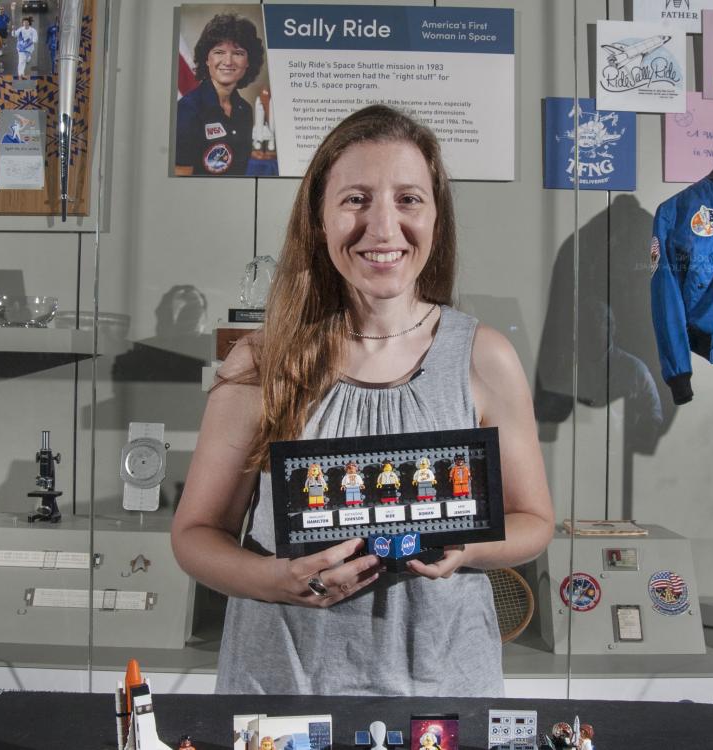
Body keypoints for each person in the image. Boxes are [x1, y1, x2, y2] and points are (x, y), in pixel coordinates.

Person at [171, 105, 554, 696]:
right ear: (319, 220)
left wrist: (467, 545)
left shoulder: (485, 355)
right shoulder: (260, 360)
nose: (382, 228)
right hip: (283, 686)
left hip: (442, 689)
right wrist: (275, 579)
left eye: (408, 199)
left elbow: (534, 522)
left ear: (436, 218)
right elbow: (195, 533)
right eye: (355, 199)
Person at [174, 13, 263, 176]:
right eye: (219, 52)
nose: (228, 61)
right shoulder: (188, 110)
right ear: (206, 58)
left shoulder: (245, 110)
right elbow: (181, 180)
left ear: (249, 62)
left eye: (238, 53)